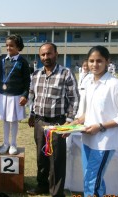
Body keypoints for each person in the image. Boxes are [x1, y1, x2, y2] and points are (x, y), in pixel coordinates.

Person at [72, 46, 118, 197]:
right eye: (91, 61)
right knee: (91, 176)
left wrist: (100, 126)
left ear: (107, 62)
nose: (95, 64)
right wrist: (74, 124)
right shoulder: (89, 83)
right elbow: (91, 112)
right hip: (88, 139)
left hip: (105, 142)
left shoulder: (116, 85)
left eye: (99, 61)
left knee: (92, 179)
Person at [27, 42, 80, 196]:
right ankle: (42, 186)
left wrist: (69, 123)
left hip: (58, 123)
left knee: (56, 160)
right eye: (43, 54)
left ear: (56, 54)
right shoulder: (36, 75)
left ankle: (56, 192)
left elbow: (74, 99)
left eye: (49, 53)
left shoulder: (66, 73)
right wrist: (31, 115)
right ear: (40, 56)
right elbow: (33, 97)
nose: (46, 57)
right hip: (40, 122)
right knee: (41, 157)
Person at [0, 34, 30, 155]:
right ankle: (5, 143)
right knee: (5, 121)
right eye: (7, 45)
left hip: (16, 96)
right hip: (3, 95)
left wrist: (25, 95)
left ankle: (13, 144)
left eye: (11, 46)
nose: (8, 48)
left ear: (18, 47)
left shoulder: (23, 62)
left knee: (13, 121)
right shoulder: (1, 60)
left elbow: (27, 81)